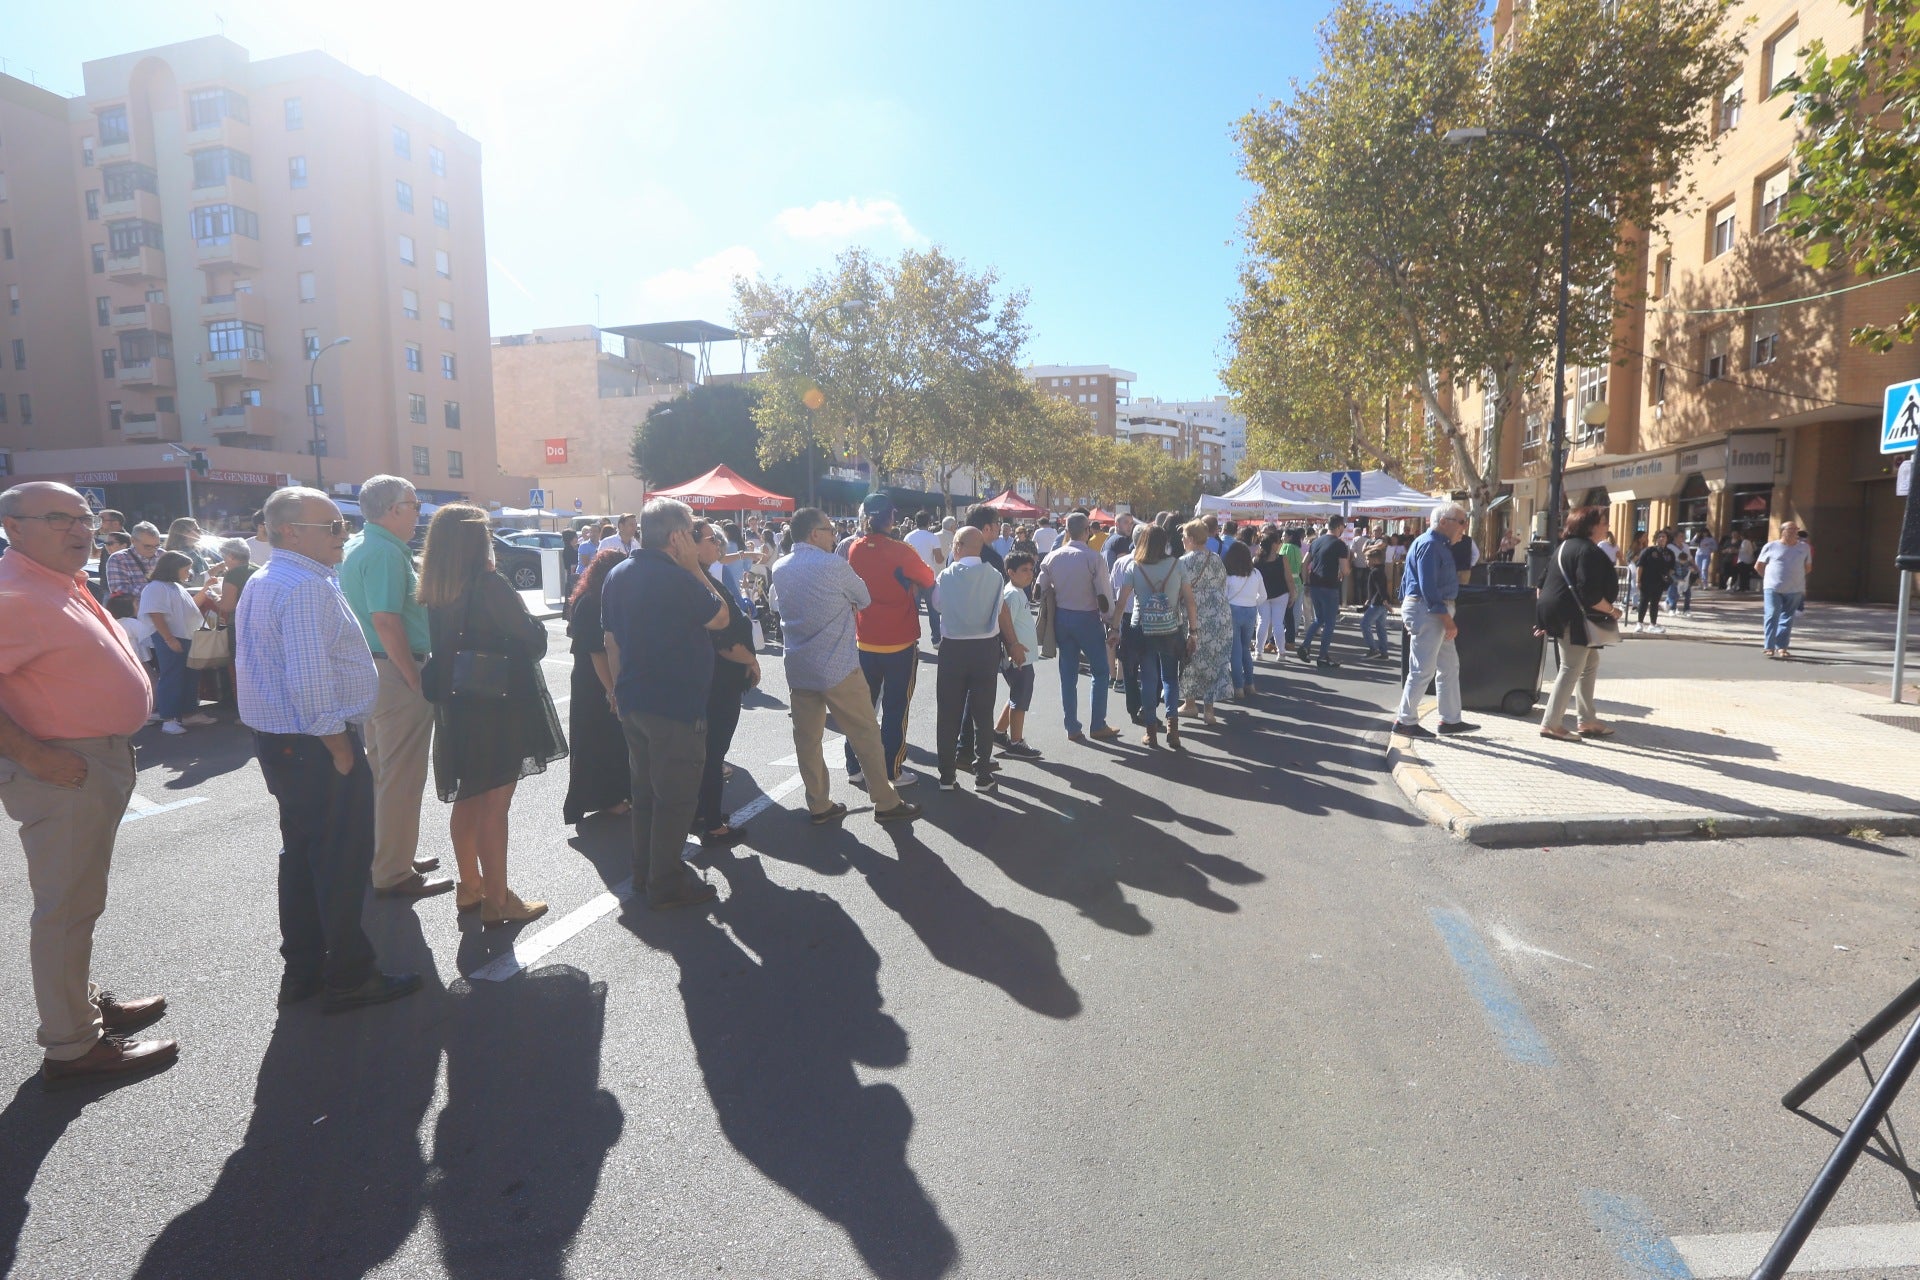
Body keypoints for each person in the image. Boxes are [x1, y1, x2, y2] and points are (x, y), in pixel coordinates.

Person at [0, 482, 176, 1090]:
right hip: (64, 769)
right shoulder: (14, 593)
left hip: (93, 760)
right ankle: (73, 1046)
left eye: (83, 518)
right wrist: (30, 754)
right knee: (67, 909)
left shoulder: (57, 582)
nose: (79, 529)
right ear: (14, 528)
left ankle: (81, 1008)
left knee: (79, 901)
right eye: (57, 518)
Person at [235, 486, 423, 1014]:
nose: (343, 533)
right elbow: (310, 678)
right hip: (314, 744)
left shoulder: (272, 576)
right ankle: (348, 975)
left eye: (341, 524)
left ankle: (304, 969)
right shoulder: (303, 586)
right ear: (290, 531)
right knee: (340, 863)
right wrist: (340, 748)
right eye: (332, 526)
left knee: (302, 858)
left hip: (282, 742)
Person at [417, 505, 564, 926]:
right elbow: (533, 639)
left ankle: (470, 886)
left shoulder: (439, 586)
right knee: (495, 805)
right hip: (499, 703)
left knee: (468, 798)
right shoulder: (488, 583)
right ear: (475, 540)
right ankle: (498, 900)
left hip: (459, 702)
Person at [600, 499, 728, 910]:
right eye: (690, 533)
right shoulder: (679, 577)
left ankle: (646, 870)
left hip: (635, 699)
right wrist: (694, 568)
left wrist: (618, 691)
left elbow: (610, 641)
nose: (693, 540)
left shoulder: (618, 573)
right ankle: (666, 882)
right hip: (674, 704)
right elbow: (721, 617)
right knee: (675, 797)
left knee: (646, 793)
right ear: (676, 538)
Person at [770, 506, 923, 823]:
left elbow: (776, 605)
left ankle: (819, 804)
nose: (833, 535)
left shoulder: (781, 567)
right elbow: (863, 598)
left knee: (808, 741)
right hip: (837, 663)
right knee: (866, 735)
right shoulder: (833, 565)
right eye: (828, 529)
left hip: (799, 665)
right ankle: (884, 800)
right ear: (815, 533)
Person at [339, 475, 450, 902]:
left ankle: (388, 857)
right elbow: (386, 620)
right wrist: (413, 676)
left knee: (383, 772)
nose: (419, 511)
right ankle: (393, 870)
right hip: (394, 671)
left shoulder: (361, 546)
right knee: (401, 777)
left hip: (373, 671)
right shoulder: (385, 552)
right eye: (414, 503)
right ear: (393, 509)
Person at [843, 493, 935, 789]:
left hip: (865, 640)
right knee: (896, 708)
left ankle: (854, 765)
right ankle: (892, 769)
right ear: (891, 518)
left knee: (862, 708)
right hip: (899, 642)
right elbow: (928, 578)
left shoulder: (855, 548)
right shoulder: (901, 551)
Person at [933, 527, 1025, 790]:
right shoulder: (994, 576)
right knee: (983, 715)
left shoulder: (945, 576)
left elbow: (938, 605)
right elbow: (999, 611)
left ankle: (947, 776)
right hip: (985, 649)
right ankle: (983, 775)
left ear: (958, 546)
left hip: (953, 650)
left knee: (948, 713)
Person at [692, 520, 761, 846]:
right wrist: (748, 659)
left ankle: (703, 814)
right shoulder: (697, 580)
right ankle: (711, 821)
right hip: (718, 681)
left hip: (720, 679)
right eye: (710, 540)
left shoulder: (703, 575)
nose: (718, 544)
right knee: (712, 752)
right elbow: (721, 638)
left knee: (709, 752)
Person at [1389, 503, 1480, 739]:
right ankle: (1405, 720)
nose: (1464, 527)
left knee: (1448, 666)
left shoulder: (1437, 545)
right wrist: (1446, 620)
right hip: (1429, 610)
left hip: (1432, 611)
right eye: (1461, 522)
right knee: (1423, 669)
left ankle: (1450, 719)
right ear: (1443, 522)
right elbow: (1427, 587)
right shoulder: (1430, 545)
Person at [1536, 506, 1624, 740]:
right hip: (1574, 619)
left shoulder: (1563, 548)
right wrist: (1613, 610)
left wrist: (1548, 616)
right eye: (1604, 522)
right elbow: (1591, 595)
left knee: (1589, 662)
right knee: (1571, 667)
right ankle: (1551, 723)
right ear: (1591, 526)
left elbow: (1541, 584)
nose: (1607, 527)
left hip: (1560, 615)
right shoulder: (1588, 552)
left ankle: (1587, 719)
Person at [562, 548, 632, 826]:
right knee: (599, 743)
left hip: (596, 679)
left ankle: (613, 796)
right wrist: (611, 689)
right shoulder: (592, 602)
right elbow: (596, 651)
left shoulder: (594, 596)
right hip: (595, 682)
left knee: (608, 742)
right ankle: (607, 800)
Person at [1036, 512, 1120, 743]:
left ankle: (1072, 726)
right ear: (1087, 531)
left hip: (1062, 618)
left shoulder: (1052, 557)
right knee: (1101, 671)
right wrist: (1111, 622)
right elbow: (1104, 594)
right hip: (1088, 618)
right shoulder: (1093, 558)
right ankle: (1097, 724)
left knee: (1068, 674)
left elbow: (1041, 588)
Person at [1115, 525, 1197, 751]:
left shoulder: (1135, 567)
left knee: (1149, 679)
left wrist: (1114, 629)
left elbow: (1122, 603)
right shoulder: (1177, 565)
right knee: (1170, 678)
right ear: (1165, 543)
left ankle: (1151, 731)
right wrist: (1194, 632)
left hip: (1142, 629)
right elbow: (1189, 601)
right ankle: (1173, 728)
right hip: (1172, 628)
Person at [139, 550, 219, 735]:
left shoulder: (174, 586)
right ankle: (169, 719)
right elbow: (155, 613)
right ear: (173, 568)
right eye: (186, 569)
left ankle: (189, 714)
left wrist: (205, 589)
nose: (188, 573)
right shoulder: (156, 587)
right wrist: (169, 638)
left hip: (185, 636)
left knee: (190, 676)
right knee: (172, 676)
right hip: (171, 637)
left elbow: (191, 605)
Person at [1179, 519, 1233, 724]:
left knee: (1191, 658)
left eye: (1184, 537)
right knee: (1214, 660)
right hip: (1220, 614)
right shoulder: (1216, 558)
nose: (1182, 540)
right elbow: (1222, 584)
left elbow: (1179, 591)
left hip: (1196, 614)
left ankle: (1190, 703)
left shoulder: (1184, 561)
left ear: (1191, 539)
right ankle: (1209, 710)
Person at [994, 551, 1043, 758]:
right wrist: (1013, 652)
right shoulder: (1012, 594)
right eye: (1024, 570)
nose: (1029, 574)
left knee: (1017, 695)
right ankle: (1016, 742)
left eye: (1031, 570)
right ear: (1010, 572)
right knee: (1020, 699)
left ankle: (998, 733)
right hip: (1017, 658)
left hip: (1021, 657)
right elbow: (1005, 626)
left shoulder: (1018, 591)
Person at [1298, 516, 1351, 667]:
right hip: (1329, 586)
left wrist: (1306, 581)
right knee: (1329, 622)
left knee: (1319, 619)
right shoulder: (1340, 544)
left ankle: (1305, 645)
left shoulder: (1316, 542)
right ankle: (1322, 656)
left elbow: (1304, 563)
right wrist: (1346, 569)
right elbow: (1345, 570)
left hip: (1314, 584)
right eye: (1343, 527)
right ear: (1339, 527)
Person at [1758, 521, 1814, 658]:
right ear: (1783, 531)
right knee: (1772, 614)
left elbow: (1808, 567)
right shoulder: (1771, 546)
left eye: (1796, 529)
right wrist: (1769, 579)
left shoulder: (1804, 547)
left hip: (1795, 588)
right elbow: (1759, 566)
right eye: (1791, 529)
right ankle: (1769, 646)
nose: (1795, 532)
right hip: (1773, 587)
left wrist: (1795, 577)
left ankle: (1782, 647)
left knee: (1787, 618)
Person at [1223, 538, 1266, 700]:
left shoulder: (1228, 576)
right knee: (1246, 648)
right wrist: (1252, 603)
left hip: (1232, 610)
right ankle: (1250, 684)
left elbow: (1223, 596)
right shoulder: (1256, 574)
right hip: (1250, 611)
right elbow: (1263, 596)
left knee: (1235, 650)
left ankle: (1238, 687)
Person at [903, 509, 947, 645]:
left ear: (915, 522)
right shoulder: (932, 537)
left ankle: (912, 639)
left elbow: (904, 559)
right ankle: (936, 639)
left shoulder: (908, 537)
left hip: (913, 579)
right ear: (929, 522)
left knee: (913, 612)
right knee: (933, 611)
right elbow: (939, 559)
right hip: (928, 578)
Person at [1253, 531, 1292, 660]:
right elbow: (1289, 579)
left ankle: (1258, 651)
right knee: (1278, 623)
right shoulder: (1282, 559)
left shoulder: (1256, 560)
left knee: (1262, 622)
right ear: (1274, 545)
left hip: (1262, 594)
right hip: (1280, 594)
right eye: (1278, 542)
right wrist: (1293, 593)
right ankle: (1281, 652)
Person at [105, 521, 162, 602]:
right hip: (134, 613)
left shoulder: (163, 555)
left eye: (157, 546)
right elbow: (119, 590)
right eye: (147, 546)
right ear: (133, 541)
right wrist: (158, 590)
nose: (153, 550)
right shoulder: (118, 558)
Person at [1633, 531, 1676, 633]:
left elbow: (1671, 568)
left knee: (1655, 603)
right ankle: (1639, 623)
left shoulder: (1670, 553)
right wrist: (1638, 581)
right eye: (1659, 537)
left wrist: (1667, 577)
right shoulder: (1648, 551)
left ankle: (1652, 624)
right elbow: (1640, 566)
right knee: (1643, 602)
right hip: (1647, 580)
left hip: (1659, 582)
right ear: (1656, 539)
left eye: (1663, 537)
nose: (1661, 538)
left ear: (1667, 539)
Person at [1358, 541, 1393, 660]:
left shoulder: (1375, 572)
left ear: (1375, 560)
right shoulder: (1379, 571)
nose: (1366, 561)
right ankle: (1384, 652)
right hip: (1379, 603)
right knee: (1380, 627)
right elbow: (1376, 588)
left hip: (1378, 603)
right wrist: (1368, 599)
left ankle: (1373, 649)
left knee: (1364, 624)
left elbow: (1381, 588)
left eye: (1368, 559)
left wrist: (1385, 601)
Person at [1280, 528, 1308, 651]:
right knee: (1296, 611)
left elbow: (1282, 564)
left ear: (1290, 536)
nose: (1282, 537)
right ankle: (1293, 635)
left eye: (1284, 535)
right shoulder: (1298, 549)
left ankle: (1285, 638)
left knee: (1286, 613)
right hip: (1299, 582)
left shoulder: (1286, 547)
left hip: (1288, 582)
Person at [164, 517, 210, 586]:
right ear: (183, 533)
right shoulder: (177, 555)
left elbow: (205, 572)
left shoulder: (195, 551)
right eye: (196, 530)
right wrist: (215, 569)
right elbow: (191, 581)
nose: (200, 532)